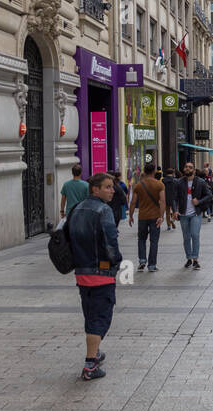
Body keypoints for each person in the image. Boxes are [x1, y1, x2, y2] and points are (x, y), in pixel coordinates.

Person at [68, 172, 122, 380]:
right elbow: (110, 242)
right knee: (100, 318)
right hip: (101, 272)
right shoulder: (103, 210)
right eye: (107, 187)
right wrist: (116, 260)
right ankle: (90, 365)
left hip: (82, 272)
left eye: (112, 187)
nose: (112, 190)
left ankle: (95, 351)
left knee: (91, 315)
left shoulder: (77, 208)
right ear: (95, 189)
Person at [170, 161, 211, 269]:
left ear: (194, 170)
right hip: (183, 214)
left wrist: (199, 201)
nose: (188, 168)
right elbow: (174, 198)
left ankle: (195, 259)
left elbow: (209, 195)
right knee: (186, 237)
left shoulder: (200, 182)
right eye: (186, 167)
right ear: (184, 169)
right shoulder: (179, 182)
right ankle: (189, 258)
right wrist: (175, 211)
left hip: (195, 213)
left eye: (190, 167)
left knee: (195, 235)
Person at [129, 161, 167, 272]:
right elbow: (163, 201)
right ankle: (152, 265)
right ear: (154, 171)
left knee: (141, 239)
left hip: (142, 217)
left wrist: (131, 216)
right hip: (155, 216)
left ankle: (142, 260)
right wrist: (162, 216)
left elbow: (133, 202)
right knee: (154, 241)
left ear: (144, 171)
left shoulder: (139, 185)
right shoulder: (159, 184)